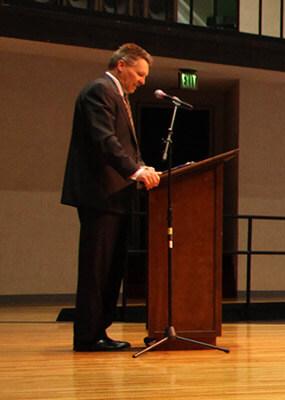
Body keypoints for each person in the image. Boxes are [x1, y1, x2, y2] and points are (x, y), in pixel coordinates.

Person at [64, 43, 160, 352]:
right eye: (140, 73)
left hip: (116, 196)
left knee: (111, 268)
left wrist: (141, 166)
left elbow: (123, 145)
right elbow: (104, 140)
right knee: (97, 268)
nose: (143, 81)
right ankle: (89, 336)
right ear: (122, 65)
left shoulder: (117, 95)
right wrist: (135, 171)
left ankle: (99, 331)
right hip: (100, 196)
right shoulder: (100, 90)